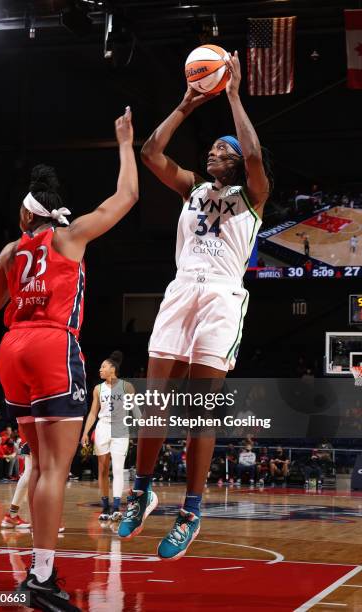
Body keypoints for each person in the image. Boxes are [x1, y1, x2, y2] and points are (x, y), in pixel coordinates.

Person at [0, 107, 138, 611]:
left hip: (11, 350)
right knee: (54, 469)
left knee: (37, 462)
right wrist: (124, 144)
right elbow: (128, 197)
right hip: (52, 345)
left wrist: (19, 273)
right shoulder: (70, 238)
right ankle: (41, 577)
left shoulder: (11, 249)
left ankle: (39, 569)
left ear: (26, 215)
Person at [118, 51, 272, 560]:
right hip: (183, 288)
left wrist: (231, 95)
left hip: (223, 297)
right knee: (154, 400)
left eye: (219, 151)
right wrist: (186, 103)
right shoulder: (192, 187)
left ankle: (191, 510)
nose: (212, 155)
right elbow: (150, 151)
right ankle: (140, 491)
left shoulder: (253, 193)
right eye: (209, 151)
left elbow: (251, 154)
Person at [81, 351, 135, 521]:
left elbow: (134, 410)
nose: (100, 369)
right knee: (103, 469)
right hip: (102, 427)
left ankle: (117, 507)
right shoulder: (98, 388)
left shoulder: (127, 387)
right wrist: (85, 432)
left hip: (120, 428)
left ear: (113, 369)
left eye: (103, 366)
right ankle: (105, 507)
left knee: (118, 468)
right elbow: (92, 413)